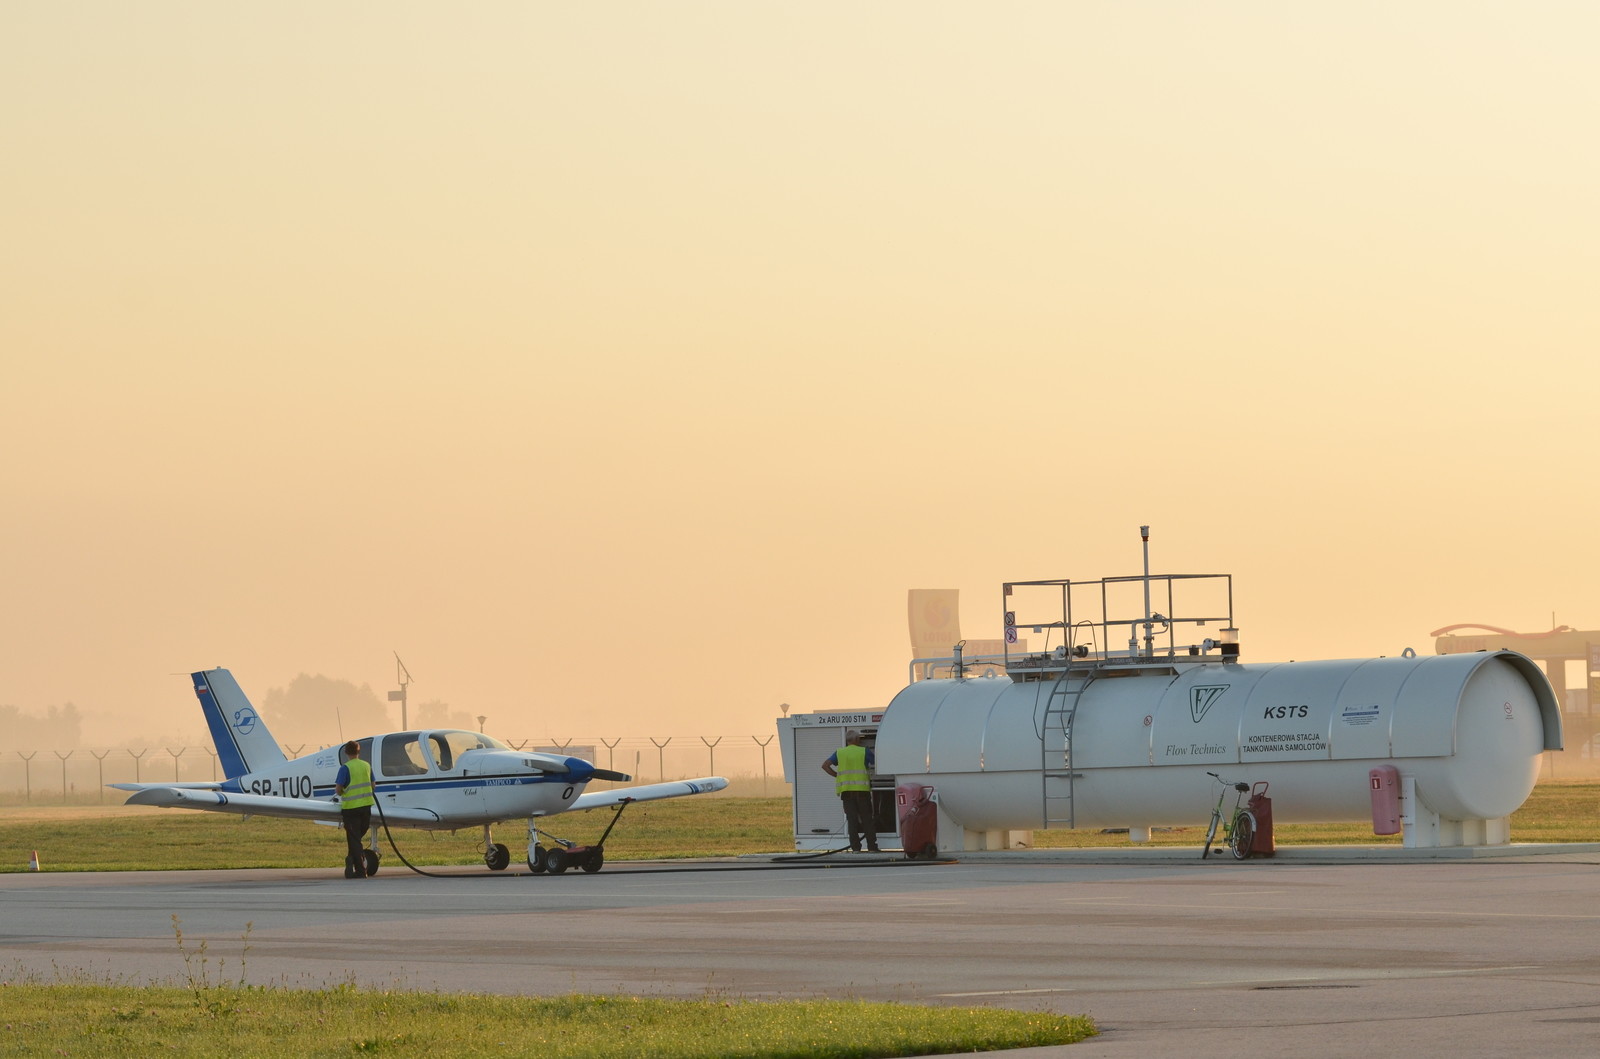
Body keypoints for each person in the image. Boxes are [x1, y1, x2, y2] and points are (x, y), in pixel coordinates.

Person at [821, 730, 880, 853]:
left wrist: (837, 775)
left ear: (847, 741)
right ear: (857, 740)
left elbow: (825, 765)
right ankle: (872, 847)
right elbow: (879, 763)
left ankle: (855, 848)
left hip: (847, 793)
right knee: (867, 820)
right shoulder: (864, 751)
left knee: (852, 821)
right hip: (862, 792)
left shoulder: (839, 753)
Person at [334, 740, 375, 878]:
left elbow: (338, 789)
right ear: (359, 751)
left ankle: (360, 870)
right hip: (366, 808)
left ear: (346, 752)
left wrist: (344, 792)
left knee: (354, 840)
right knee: (356, 838)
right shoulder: (367, 766)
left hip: (351, 809)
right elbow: (373, 785)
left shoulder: (345, 768)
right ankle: (352, 861)